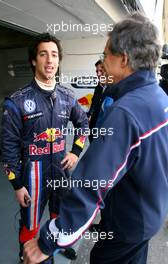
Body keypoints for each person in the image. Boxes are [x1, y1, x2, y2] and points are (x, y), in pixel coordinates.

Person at [24, 14, 168, 264]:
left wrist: (49, 239)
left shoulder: (126, 112)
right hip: (147, 213)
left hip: (128, 223)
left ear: (123, 59)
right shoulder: (158, 96)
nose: (102, 62)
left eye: (105, 55)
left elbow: (91, 185)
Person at [1, 33, 88, 263]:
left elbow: (83, 123)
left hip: (60, 173)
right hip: (32, 178)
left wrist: (75, 152)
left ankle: (56, 248)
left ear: (58, 61)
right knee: (29, 225)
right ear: (33, 60)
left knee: (60, 217)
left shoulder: (68, 97)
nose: (50, 60)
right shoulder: (17, 101)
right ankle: (27, 256)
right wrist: (16, 185)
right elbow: (8, 148)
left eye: (54, 55)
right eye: (43, 54)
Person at [88, 60, 112, 142]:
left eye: (101, 71)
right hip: (93, 133)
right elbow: (93, 105)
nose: (98, 74)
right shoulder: (98, 88)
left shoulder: (114, 89)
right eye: (97, 71)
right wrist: (89, 115)